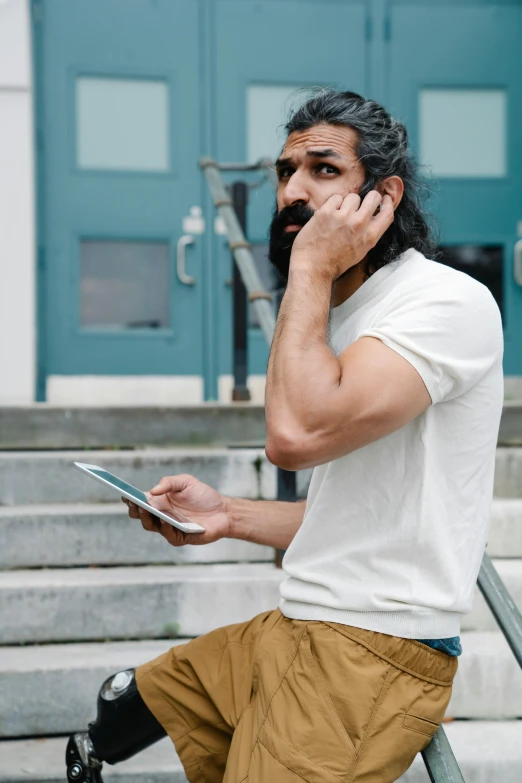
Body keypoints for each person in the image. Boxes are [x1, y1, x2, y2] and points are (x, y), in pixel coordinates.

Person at [65, 90, 503, 783]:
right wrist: (228, 515)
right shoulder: (332, 315)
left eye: (324, 171)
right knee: (143, 699)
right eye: (285, 171)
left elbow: (295, 434)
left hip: (370, 650)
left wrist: (307, 268)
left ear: (383, 196)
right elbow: (357, 516)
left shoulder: (443, 303)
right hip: (296, 624)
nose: (293, 190)